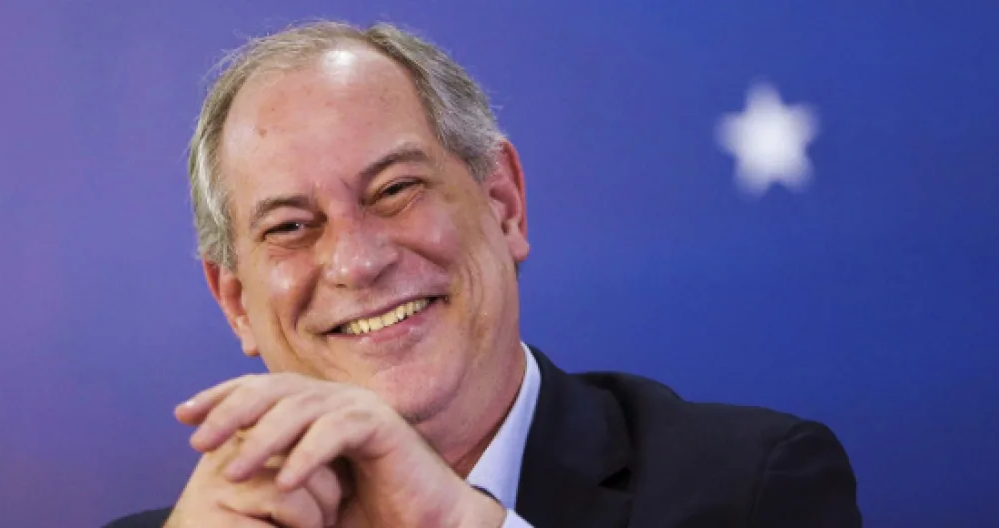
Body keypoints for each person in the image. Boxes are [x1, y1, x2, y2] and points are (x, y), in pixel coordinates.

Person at [107, 21, 860, 528]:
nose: (358, 261)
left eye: (396, 190)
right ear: (236, 301)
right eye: (290, 227)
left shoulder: (751, 489)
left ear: (503, 204)